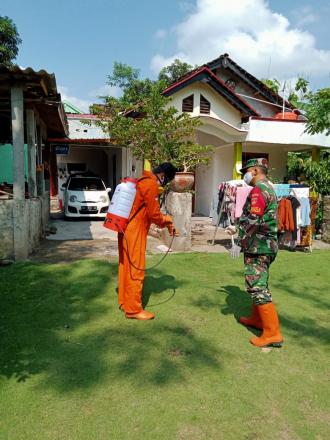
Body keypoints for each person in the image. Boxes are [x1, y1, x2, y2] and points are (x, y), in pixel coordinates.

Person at [227, 158, 283, 347]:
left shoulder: (260, 189)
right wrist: (237, 227)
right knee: (257, 284)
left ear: (255, 170)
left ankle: (272, 333)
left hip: (259, 246)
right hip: (264, 244)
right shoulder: (269, 188)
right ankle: (257, 320)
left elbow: (254, 219)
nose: (245, 175)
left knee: (257, 287)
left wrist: (239, 243)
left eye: (247, 171)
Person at [118, 162, 177, 320]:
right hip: (134, 231)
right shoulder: (150, 184)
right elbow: (155, 215)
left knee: (126, 266)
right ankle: (133, 309)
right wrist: (168, 220)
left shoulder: (141, 180)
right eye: (167, 181)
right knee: (136, 269)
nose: (164, 184)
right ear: (163, 176)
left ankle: (125, 301)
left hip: (125, 228)